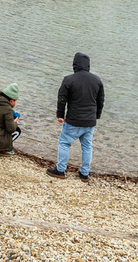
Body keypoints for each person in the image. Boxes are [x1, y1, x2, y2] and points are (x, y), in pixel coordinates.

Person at [47, 53, 104, 181]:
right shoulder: (97, 80)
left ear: (75, 64)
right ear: (88, 65)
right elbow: (100, 100)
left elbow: (62, 99)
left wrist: (60, 115)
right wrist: (97, 116)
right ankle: (84, 174)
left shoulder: (69, 79)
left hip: (73, 119)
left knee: (64, 143)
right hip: (90, 121)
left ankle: (60, 170)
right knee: (87, 146)